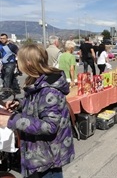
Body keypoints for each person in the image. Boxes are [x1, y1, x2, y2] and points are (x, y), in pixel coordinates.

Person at [0, 44, 75, 178]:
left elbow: (50, 126)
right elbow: (38, 104)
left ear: (29, 62)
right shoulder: (39, 81)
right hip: (42, 154)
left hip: (48, 158)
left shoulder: (49, 90)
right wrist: (19, 104)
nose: (18, 64)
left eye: (20, 60)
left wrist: (12, 121)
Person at [0, 33, 21, 99]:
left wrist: (18, 63)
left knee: (7, 77)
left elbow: (18, 53)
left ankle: (6, 92)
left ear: (6, 39)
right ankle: (16, 89)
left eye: (3, 38)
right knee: (7, 76)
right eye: (0, 38)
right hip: (3, 63)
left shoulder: (12, 46)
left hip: (10, 63)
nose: (2, 40)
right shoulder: (0, 45)